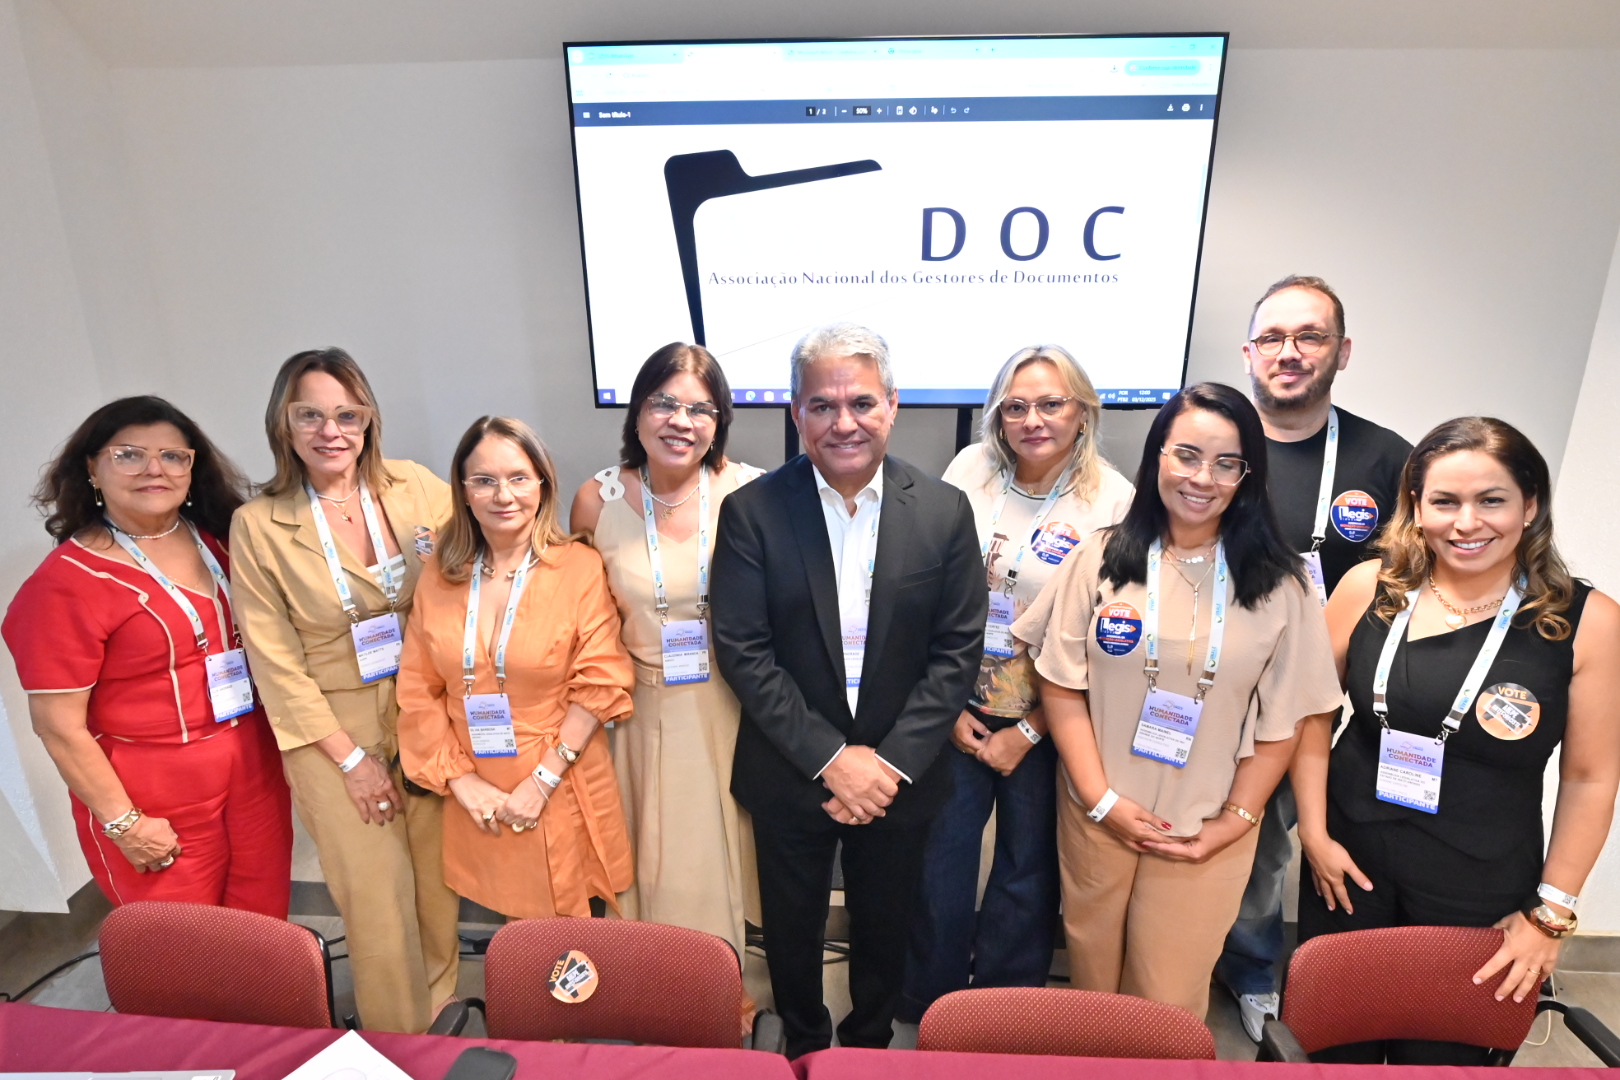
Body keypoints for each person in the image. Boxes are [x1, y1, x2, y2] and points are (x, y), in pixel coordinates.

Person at [1012, 382, 1342, 1021]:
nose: (1202, 479)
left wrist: (1236, 820)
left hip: (1205, 830)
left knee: (1166, 1002)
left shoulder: (1282, 584)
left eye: (1226, 463)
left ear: (1247, 476)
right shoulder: (1100, 557)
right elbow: (1061, 684)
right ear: (1157, 455)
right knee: (1093, 988)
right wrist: (1100, 800)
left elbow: (1288, 720)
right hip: (1098, 815)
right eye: (1187, 455)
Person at [1295, 417, 1620, 1064]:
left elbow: (1590, 778)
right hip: (1347, 867)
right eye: (1444, 501)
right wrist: (1313, 833)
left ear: (1530, 505)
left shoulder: (1586, 622)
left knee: (1442, 1061)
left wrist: (1550, 915)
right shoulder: (1369, 588)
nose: (1466, 523)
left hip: (1479, 888)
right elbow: (1309, 716)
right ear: (1417, 507)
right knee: (1336, 1051)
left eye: (1491, 500)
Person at [712, 323, 985, 1057]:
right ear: (795, 411)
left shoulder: (944, 511)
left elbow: (957, 652)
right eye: (822, 405)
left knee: (886, 927)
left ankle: (866, 1050)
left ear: (892, 406)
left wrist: (884, 766)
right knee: (792, 932)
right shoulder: (752, 512)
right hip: (792, 768)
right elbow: (744, 651)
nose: (844, 422)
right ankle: (803, 1048)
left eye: (862, 403)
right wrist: (832, 760)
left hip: (900, 775)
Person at [899, 345, 1134, 1022]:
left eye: (1052, 404)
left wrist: (1030, 731)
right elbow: (928, 587)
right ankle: (930, 1004)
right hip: (957, 704)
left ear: (1083, 411)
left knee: (1027, 871)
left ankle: (1006, 1010)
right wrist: (943, 706)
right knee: (939, 863)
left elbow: (1107, 636)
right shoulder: (969, 470)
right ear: (997, 415)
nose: (1033, 420)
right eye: (1016, 406)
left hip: (1051, 715)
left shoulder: (1113, 499)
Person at [230, 348, 460, 1034]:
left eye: (347, 415)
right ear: (284, 424)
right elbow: (274, 662)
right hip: (330, 729)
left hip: (423, 711)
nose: (331, 431)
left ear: (368, 421)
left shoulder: (416, 487)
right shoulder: (260, 524)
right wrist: (352, 761)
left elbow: (479, 563)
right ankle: (397, 1039)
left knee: (435, 884)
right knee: (376, 896)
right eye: (310, 415)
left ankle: (440, 1013)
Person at [3, 397, 291, 913]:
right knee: (181, 945)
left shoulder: (223, 540)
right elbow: (57, 726)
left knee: (263, 925)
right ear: (92, 469)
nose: (154, 469)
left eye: (173, 456)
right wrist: (125, 823)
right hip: (152, 796)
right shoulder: (63, 585)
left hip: (254, 769)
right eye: (129, 455)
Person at [1218, 274, 1413, 1037]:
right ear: (1248, 354)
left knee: (1278, 845)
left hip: (1317, 699)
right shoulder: (1215, 440)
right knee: (1196, 834)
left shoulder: (1386, 458)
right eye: (1272, 337)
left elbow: (1414, 578)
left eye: (1310, 336)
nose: (1289, 352)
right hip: (1206, 689)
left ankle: (1261, 971)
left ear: (1342, 351)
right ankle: (1187, 964)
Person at [399, 416, 635, 918]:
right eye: (484, 480)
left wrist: (542, 782)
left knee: (576, 940)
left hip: (560, 779)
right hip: (477, 789)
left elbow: (600, 683)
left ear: (543, 485)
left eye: (518, 478)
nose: (503, 495)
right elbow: (418, 689)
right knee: (514, 936)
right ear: (464, 492)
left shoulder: (578, 567)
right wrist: (462, 783)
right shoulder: (441, 574)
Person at [570, 343, 762, 960]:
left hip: (730, 704)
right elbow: (582, 619)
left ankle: (721, 984)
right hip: (639, 710)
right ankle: (653, 983)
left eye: (700, 409)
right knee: (650, 853)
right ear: (637, 412)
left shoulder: (751, 492)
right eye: (664, 403)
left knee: (718, 850)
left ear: (719, 421)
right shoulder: (597, 499)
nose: (681, 421)